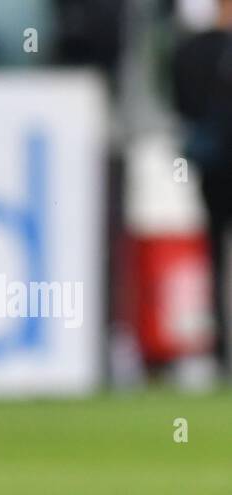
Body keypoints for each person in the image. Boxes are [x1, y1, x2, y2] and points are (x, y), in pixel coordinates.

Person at [172, 0, 232, 377]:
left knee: (214, 257)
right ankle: (221, 349)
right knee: (214, 258)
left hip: (211, 167)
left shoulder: (191, 51)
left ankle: (221, 350)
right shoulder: (205, 50)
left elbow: (183, 105)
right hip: (218, 165)